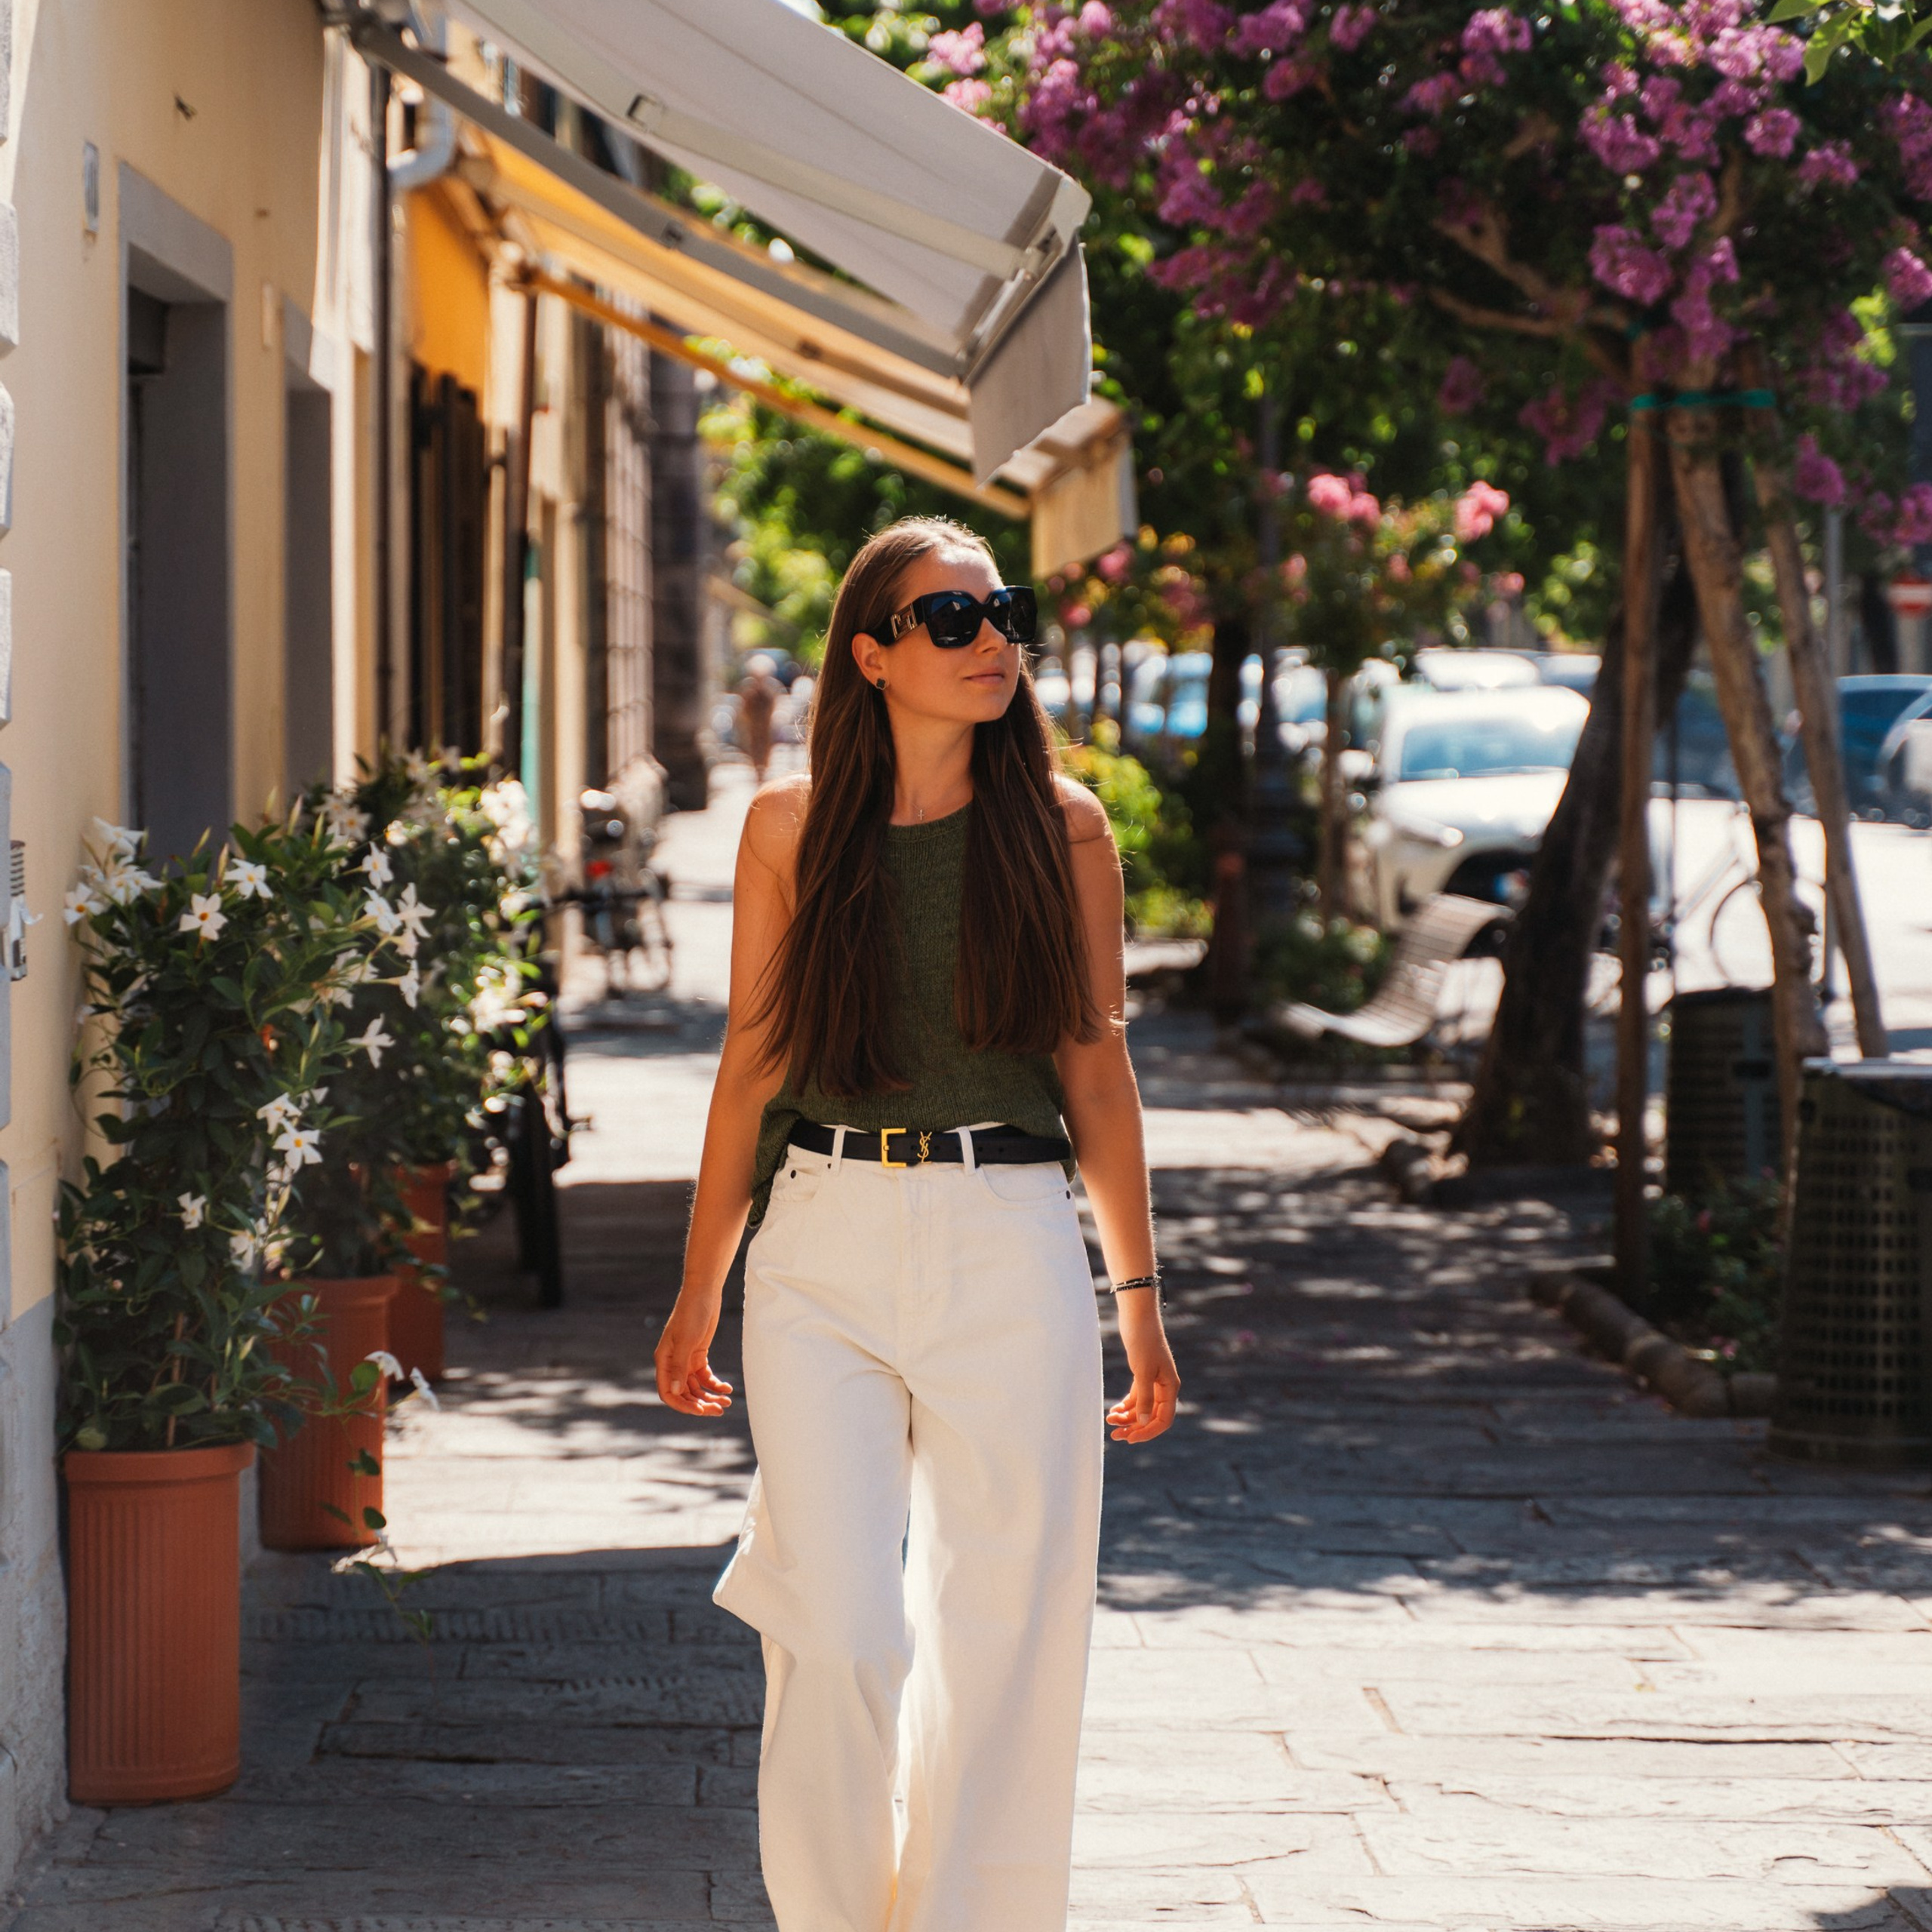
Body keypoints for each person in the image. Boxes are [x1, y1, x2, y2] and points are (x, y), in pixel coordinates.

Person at [656, 515, 1180, 1931]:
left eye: (1002, 612)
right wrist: (701, 1283)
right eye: (952, 621)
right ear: (873, 656)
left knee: (1008, 1633)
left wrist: (1139, 1302)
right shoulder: (790, 827)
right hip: (820, 1244)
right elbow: (754, 1066)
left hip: (1009, 1236)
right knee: (837, 1631)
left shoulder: (1063, 829)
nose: (993, 640)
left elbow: (1096, 1074)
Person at [737, 652, 783, 782]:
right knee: (754, 746)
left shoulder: (770, 689)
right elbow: (744, 707)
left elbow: (774, 704)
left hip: (765, 725)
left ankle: (764, 767)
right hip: (754, 725)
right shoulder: (748, 690)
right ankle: (757, 768)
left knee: (766, 745)